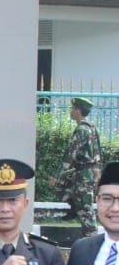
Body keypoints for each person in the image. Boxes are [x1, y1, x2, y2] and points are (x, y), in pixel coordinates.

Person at [50, 97, 103, 237]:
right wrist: (97, 172)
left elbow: (71, 154)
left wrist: (57, 175)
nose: (71, 111)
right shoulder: (91, 127)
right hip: (84, 172)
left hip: (84, 175)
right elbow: (98, 152)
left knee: (86, 211)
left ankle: (92, 239)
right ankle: (74, 207)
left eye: (72, 109)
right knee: (64, 187)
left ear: (78, 110)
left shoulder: (82, 129)